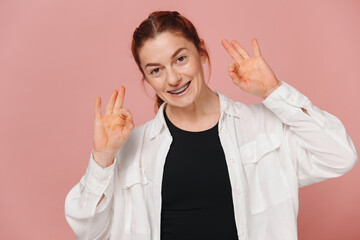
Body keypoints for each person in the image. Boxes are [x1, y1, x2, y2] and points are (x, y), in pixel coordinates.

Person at [64, 10, 358, 240]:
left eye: (180, 58)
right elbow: (90, 231)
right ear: (146, 78)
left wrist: (274, 91)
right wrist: (103, 158)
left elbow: (340, 156)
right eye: (156, 70)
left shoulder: (262, 128)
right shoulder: (131, 149)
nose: (173, 78)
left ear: (201, 53)